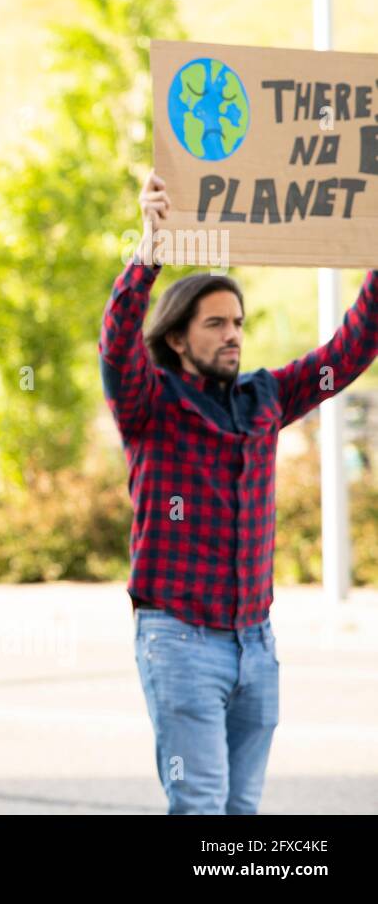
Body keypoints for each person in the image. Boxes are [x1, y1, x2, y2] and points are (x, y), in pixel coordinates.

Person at [100, 170, 378, 814]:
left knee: (241, 812)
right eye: (216, 323)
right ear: (176, 337)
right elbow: (117, 341)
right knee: (199, 805)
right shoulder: (150, 403)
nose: (233, 334)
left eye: (239, 323)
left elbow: (350, 348)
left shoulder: (265, 398)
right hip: (178, 639)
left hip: (257, 642)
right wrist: (149, 251)